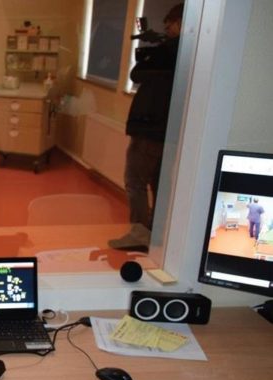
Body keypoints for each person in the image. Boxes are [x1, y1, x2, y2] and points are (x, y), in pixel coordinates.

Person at [109, 3, 184, 252]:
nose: (167, 28)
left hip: (150, 127)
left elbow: (137, 74)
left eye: (170, 24)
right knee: (158, 182)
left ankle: (139, 234)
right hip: (167, 129)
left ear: (181, 23)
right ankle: (156, 232)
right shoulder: (187, 55)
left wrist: (154, 50)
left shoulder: (169, 52)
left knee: (135, 180)